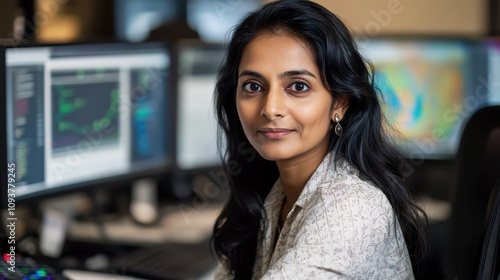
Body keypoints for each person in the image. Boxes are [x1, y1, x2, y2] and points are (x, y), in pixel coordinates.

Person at [211, 0, 428, 279]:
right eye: (253, 86)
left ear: (339, 103)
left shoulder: (352, 208)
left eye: (298, 87)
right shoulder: (273, 192)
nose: (270, 108)